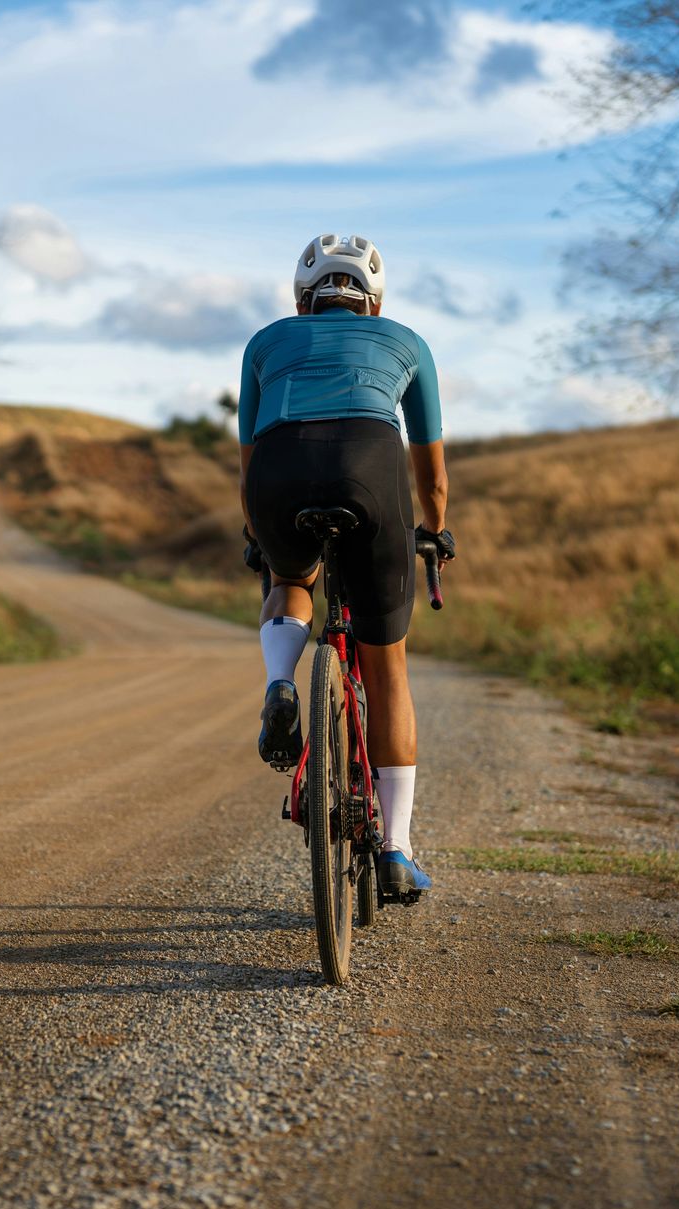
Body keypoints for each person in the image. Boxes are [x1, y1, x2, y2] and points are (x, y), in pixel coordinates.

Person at [237, 233, 456, 899]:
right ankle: (396, 849)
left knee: (290, 580)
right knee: (386, 668)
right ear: (374, 298)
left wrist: (260, 534)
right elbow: (432, 474)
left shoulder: (265, 343)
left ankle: (282, 682)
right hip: (371, 465)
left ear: (304, 299)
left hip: (278, 472)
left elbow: (248, 457)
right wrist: (435, 533)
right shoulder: (406, 341)